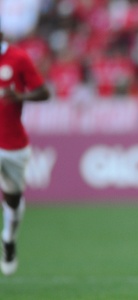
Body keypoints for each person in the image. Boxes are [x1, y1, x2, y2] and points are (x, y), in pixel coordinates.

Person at [0, 29, 50, 276]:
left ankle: (8, 238)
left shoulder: (18, 58)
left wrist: (21, 95)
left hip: (13, 145)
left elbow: (44, 92)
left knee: (13, 198)